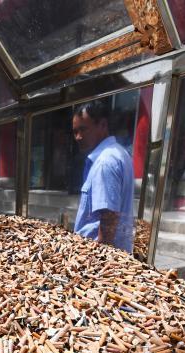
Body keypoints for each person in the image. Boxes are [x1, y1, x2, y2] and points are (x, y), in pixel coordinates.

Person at [71, 99, 135, 252]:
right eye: (75, 132)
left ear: (103, 125)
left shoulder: (105, 162)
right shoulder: (119, 152)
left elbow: (109, 218)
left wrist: (96, 263)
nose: (78, 137)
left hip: (100, 258)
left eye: (83, 129)